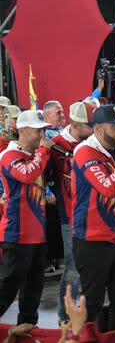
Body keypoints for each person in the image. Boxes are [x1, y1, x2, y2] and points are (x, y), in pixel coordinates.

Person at [71, 105, 115, 331]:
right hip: (91, 239)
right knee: (91, 302)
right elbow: (107, 187)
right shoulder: (85, 152)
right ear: (97, 128)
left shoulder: (114, 150)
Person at [0, 110, 53, 325]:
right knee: (7, 287)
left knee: (33, 288)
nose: (42, 134)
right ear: (22, 131)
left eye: (43, 130)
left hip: (37, 233)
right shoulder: (8, 155)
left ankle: (27, 327)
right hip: (16, 233)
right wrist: (42, 152)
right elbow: (27, 174)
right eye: (38, 130)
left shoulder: (35, 155)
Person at [50, 101, 95, 324]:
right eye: (90, 126)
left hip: (95, 213)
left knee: (92, 267)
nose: (94, 130)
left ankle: (82, 315)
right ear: (77, 125)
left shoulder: (92, 142)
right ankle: (64, 317)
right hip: (69, 214)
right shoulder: (55, 145)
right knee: (73, 267)